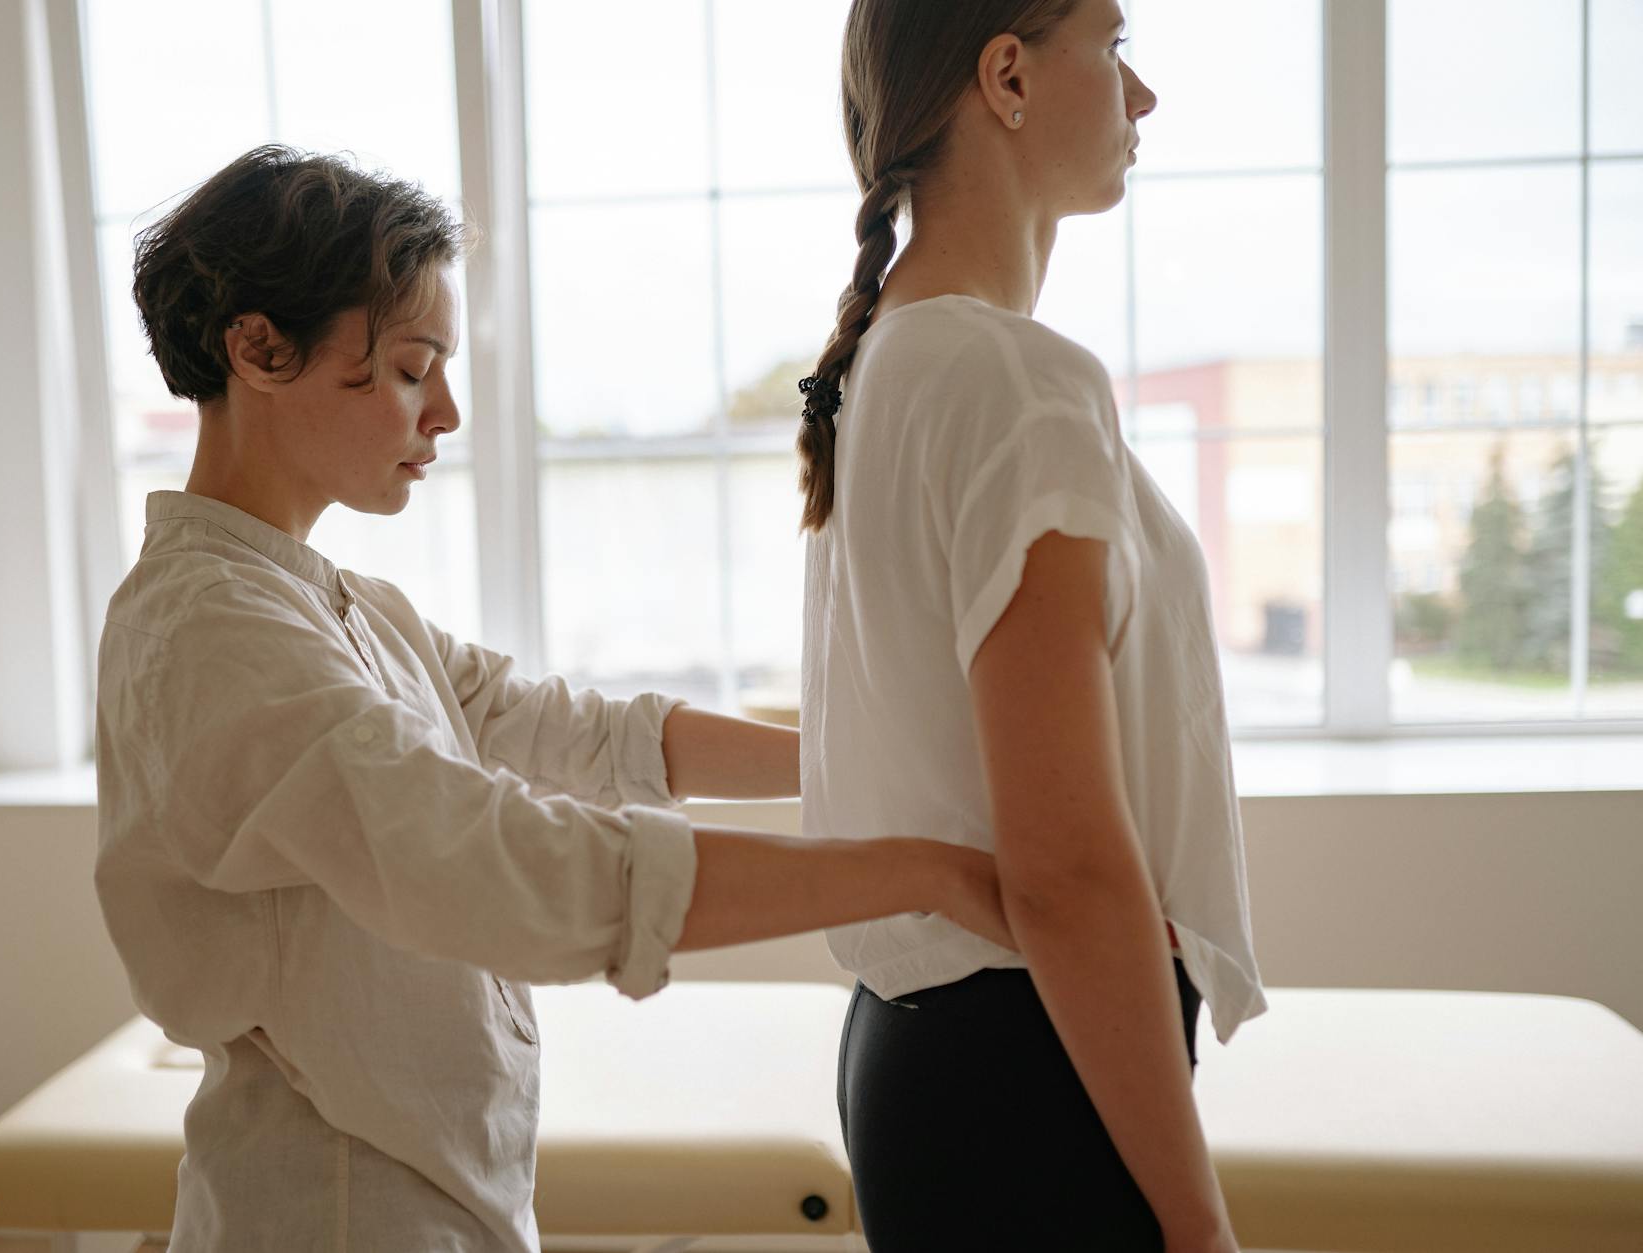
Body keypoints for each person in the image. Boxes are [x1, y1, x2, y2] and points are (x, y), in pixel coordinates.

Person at [91, 144, 1016, 1253]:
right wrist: (923, 866)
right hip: (336, 1215)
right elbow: (489, 858)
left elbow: (578, 733)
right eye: (407, 366)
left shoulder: (340, 606)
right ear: (257, 347)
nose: (446, 411)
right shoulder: (211, 633)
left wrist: (880, 762)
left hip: (438, 1196)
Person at [795, 2, 1271, 1249]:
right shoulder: (1017, 381)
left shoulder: (887, 361)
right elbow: (1060, 866)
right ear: (1004, 75)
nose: (1142, 97)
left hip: (914, 1052)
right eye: (1112, 48)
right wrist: (1198, 1220)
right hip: (1029, 1072)